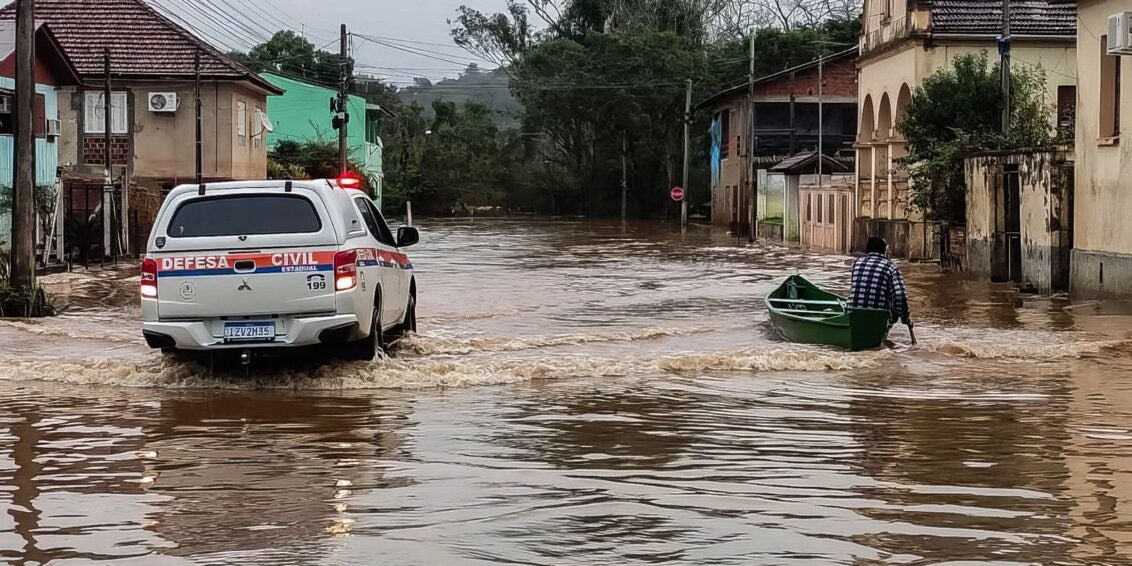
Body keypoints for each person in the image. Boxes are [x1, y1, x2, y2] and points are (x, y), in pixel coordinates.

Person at [849, 237, 912, 334]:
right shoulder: (891, 267)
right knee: (892, 298)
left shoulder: (856, 263)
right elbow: (900, 296)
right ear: (884, 251)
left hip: (852, 314)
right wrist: (904, 317)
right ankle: (886, 327)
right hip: (878, 317)